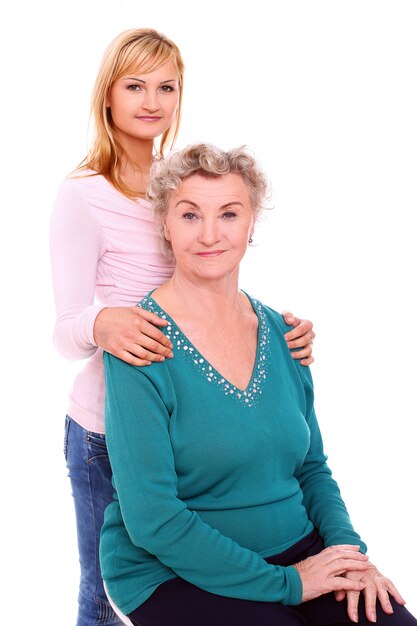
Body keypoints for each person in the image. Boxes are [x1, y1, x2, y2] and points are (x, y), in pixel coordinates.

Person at [50, 28, 315, 626]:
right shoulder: (84, 195)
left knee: (203, 571)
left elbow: (211, 277)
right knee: (102, 598)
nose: (151, 101)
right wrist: (103, 321)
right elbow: (64, 329)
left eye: (165, 86)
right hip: (106, 427)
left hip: (191, 418)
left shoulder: (181, 182)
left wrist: (278, 329)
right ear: (108, 96)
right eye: (135, 85)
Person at [100, 143, 416, 626]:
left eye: (229, 213)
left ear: (251, 224)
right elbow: (153, 519)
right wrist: (289, 586)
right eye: (190, 215)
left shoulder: (286, 334)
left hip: (295, 548)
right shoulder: (140, 343)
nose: (210, 234)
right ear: (164, 223)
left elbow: (312, 468)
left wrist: (350, 556)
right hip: (172, 571)